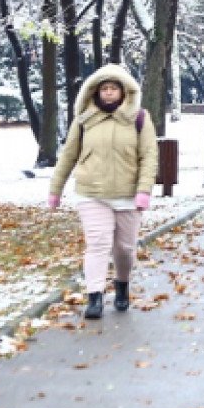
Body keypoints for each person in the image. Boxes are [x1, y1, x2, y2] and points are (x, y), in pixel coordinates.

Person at [48, 65, 159, 319]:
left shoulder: (139, 118)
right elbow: (68, 155)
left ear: (124, 92)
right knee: (97, 244)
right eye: (104, 89)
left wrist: (144, 190)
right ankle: (94, 296)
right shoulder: (84, 119)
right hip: (92, 193)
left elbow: (149, 156)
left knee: (124, 249)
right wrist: (56, 189)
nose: (108, 93)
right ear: (95, 92)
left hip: (128, 195)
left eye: (113, 89)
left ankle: (122, 285)